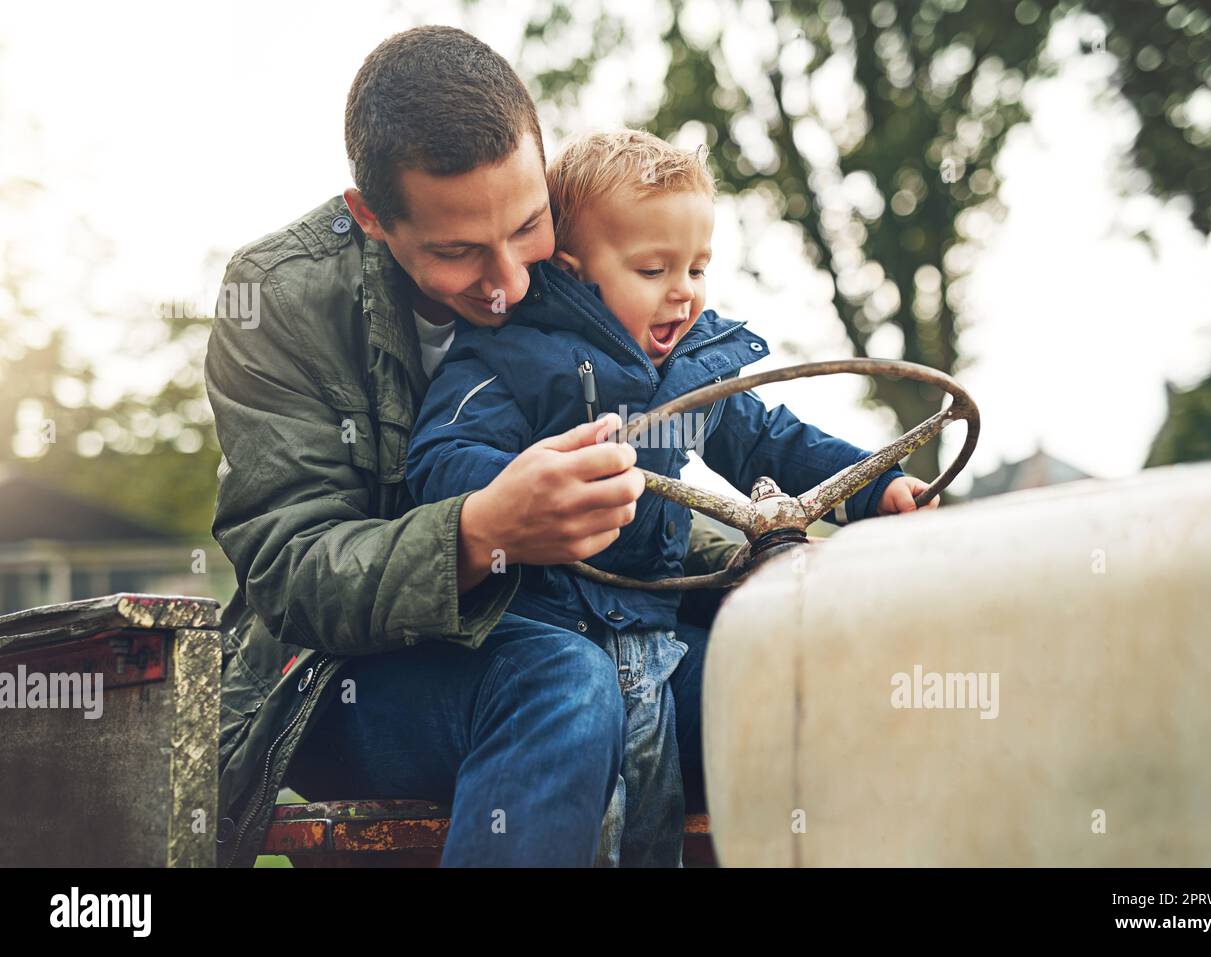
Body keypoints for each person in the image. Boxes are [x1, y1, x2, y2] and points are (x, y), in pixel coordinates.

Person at [206, 26, 746, 868]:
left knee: (774, 677)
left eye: (528, 227)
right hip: (348, 675)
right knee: (564, 682)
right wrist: (479, 531)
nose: (512, 282)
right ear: (371, 219)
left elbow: (642, 479)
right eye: (457, 252)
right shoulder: (277, 299)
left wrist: (764, 557)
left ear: (542, 165)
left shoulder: (586, 250)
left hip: (589, 623)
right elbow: (290, 573)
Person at [404, 129, 938, 867]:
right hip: (537, 626)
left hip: (655, 639)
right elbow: (439, 459)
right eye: (653, 268)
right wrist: (512, 489)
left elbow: (770, 440)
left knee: (774, 689)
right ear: (574, 269)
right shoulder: (513, 358)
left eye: (697, 266)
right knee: (566, 700)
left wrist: (877, 483)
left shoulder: (692, 372)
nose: (683, 289)